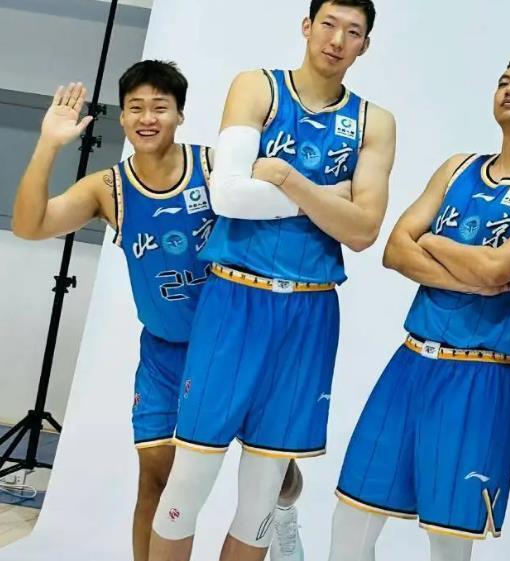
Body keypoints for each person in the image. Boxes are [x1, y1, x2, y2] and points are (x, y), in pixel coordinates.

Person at [11, 60, 305, 561]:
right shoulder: (109, 189)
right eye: (136, 108)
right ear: (123, 117)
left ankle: (283, 513)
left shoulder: (214, 169)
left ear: (180, 115)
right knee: (155, 477)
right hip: (165, 355)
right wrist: (48, 145)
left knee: (276, 477)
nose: (147, 118)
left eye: (159, 107)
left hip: (234, 349)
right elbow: (29, 225)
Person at [149, 1, 396, 560]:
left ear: (364, 45)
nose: (337, 39)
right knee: (188, 482)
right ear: (307, 27)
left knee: (262, 497)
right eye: (328, 24)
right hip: (234, 299)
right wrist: (327, 199)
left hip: (309, 311)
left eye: (353, 31)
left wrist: (285, 177)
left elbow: (363, 230)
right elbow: (228, 195)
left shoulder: (374, 122)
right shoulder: (257, 87)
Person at [330, 51, 510, 561]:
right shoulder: (458, 167)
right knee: (351, 521)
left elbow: (496, 269)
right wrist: (467, 270)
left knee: (447, 542)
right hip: (411, 361)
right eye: (503, 80)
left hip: (481, 375)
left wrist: (433, 243)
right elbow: (394, 249)